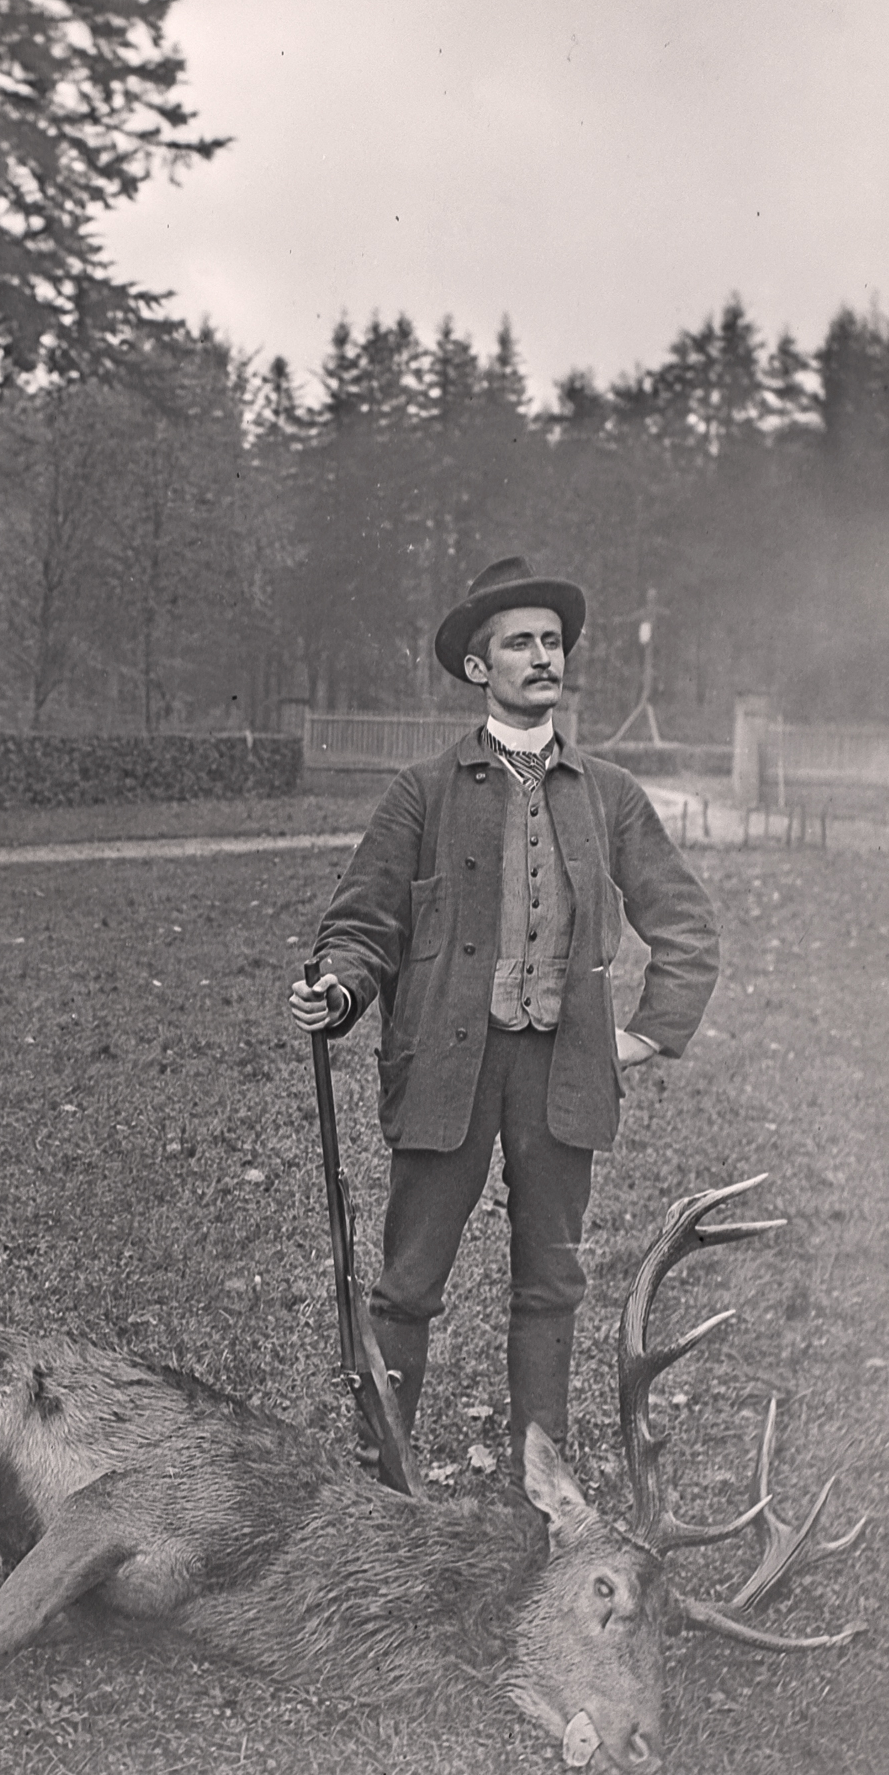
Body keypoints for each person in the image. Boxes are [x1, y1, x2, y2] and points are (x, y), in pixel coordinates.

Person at [288, 555, 720, 1482]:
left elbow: (682, 922)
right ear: (478, 669)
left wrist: (642, 1034)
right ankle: (382, 1485)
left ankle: (544, 1487)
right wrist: (340, 989)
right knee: (407, 1285)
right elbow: (364, 921)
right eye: (518, 643)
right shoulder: (425, 790)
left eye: (551, 642)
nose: (541, 658)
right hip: (448, 1070)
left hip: (561, 1076)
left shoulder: (608, 793)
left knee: (551, 1284)